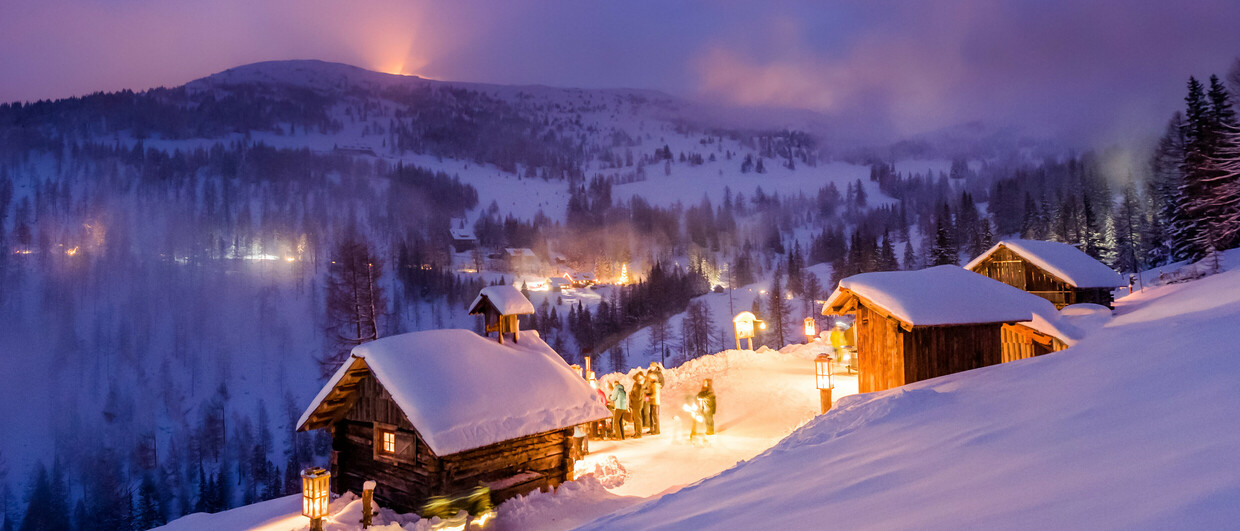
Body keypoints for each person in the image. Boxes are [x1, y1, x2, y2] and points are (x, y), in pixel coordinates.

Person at [645, 364, 662, 435]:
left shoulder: (655, 385)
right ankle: (653, 429)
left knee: (655, 416)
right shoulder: (653, 384)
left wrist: (648, 396)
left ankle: (657, 430)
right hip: (653, 402)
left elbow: (654, 394)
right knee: (652, 415)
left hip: (655, 402)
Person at [628, 372, 646, 439]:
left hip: (637, 405)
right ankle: (636, 433)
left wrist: (631, 395)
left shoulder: (639, 386)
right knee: (635, 419)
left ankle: (639, 434)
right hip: (634, 404)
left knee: (638, 419)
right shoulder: (636, 384)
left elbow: (638, 398)